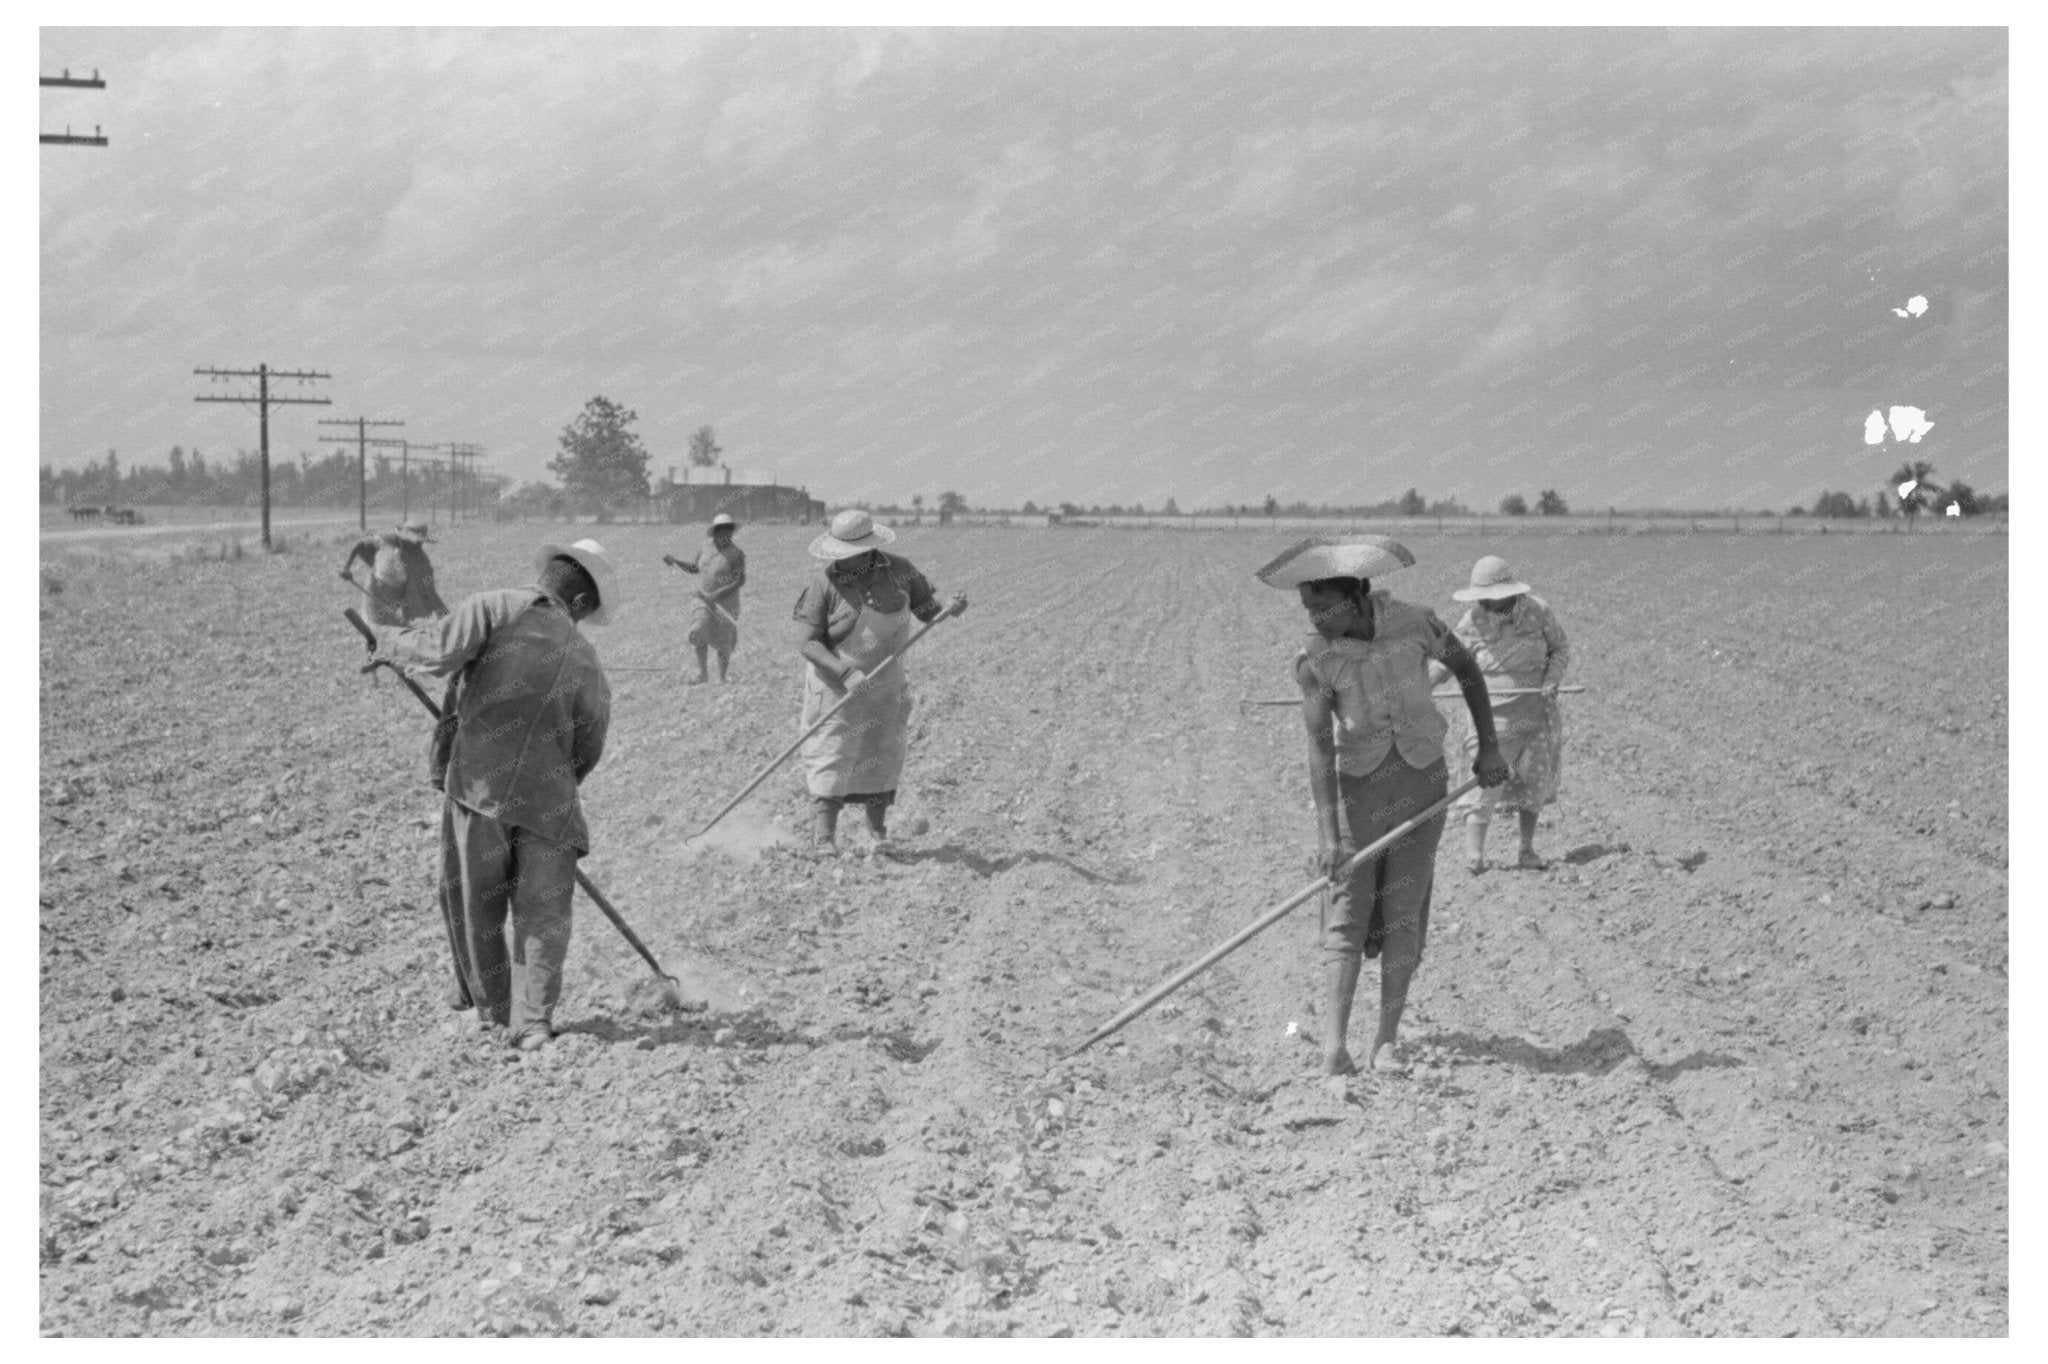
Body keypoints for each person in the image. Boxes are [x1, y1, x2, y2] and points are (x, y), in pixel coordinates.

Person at [1256, 536, 1508, 1079]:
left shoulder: (1416, 625)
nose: (1315, 619)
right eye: (1309, 609)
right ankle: (1333, 1047)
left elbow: (1468, 672)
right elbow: (1320, 746)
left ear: (1356, 597)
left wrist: (1487, 746)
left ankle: (1386, 1041)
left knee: (1403, 912)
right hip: (1358, 794)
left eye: (1323, 608)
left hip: (1422, 784)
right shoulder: (1314, 661)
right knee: (1347, 915)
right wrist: (1329, 834)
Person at [363, 539, 616, 1052]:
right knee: (543, 913)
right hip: (552, 803)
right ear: (583, 604)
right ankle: (535, 1022)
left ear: (549, 574)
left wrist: (386, 641)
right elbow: (590, 743)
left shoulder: (494, 606)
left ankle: (495, 1012)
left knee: (474, 902)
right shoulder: (587, 658)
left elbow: (435, 653)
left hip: (482, 788)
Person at [792, 509, 967, 856]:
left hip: (886, 683)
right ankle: (824, 839)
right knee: (832, 755)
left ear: (870, 550)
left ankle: (877, 834)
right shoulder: (823, 584)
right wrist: (845, 673)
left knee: (883, 754)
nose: (841, 563)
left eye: (849, 555)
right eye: (838, 556)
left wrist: (949, 609)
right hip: (835, 686)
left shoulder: (901, 572)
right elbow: (807, 641)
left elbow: (928, 611)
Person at [1431, 555, 1570, 873]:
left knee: (1534, 781)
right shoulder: (1472, 620)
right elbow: (1448, 661)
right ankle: (1474, 856)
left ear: (1511, 593)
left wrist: (1551, 679)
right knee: (1484, 783)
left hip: (1536, 713)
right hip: (1491, 718)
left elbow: (1560, 648)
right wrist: (1422, 686)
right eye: (1482, 598)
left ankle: (1527, 850)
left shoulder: (1539, 611)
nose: (1485, 604)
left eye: (1491, 598)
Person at [663, 512, 746, 684]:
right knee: (697, 630)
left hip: (726, 603)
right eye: (721, 531)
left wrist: (717, 595)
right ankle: (703, 674)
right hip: (703, 599)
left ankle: (722, 677)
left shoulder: (736, 554)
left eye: (728, 531)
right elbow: (694, 568)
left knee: (724, 640)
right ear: (714, 532)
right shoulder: (705, 548)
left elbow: (740, 579)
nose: (725, 534)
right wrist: (675, 561)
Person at [341, 521, 447, 626]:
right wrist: (346, 567)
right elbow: (360, 544)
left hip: (396, 594)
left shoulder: (417, 555)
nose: (418, 543)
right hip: (376, 589)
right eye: (416, 539)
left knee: (393, 628)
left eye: (420, 540)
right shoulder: (386, 541)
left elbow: (427, 587)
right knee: (376, 627)